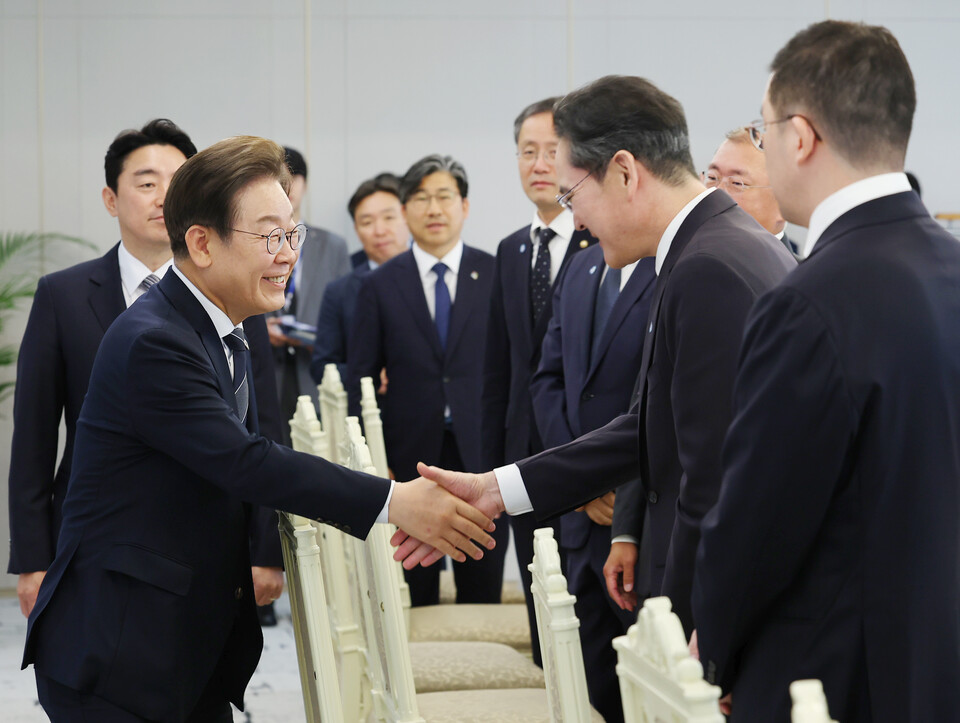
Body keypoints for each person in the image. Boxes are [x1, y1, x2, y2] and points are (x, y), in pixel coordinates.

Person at [21, 136, 495, 722]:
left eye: (291, 232)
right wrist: (397, 502)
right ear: (201, 242)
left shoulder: (222, 323)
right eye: (270, 235)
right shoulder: (155, 342)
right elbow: (248, 462)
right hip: (121, 651)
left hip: (178, 644)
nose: (288, 253)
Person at [397, 75, 795, 638]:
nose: (576, 221)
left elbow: (716, 485)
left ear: (626, 172)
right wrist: (496, 489)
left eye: (572, 195)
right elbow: (654, 426)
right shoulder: (708, 249)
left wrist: (700, 628)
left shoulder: (708, 268)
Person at [691, 21, 960, 721]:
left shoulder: (808, 301)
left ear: (801, 136)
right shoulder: (951, 269)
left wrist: (712, 649)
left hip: (833, 678)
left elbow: (759, 518)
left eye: (764, 128)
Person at [6, 119, 285, 622]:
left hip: (211, 536)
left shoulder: (236, 291)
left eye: (177, 182)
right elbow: (33, 436)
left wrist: (267, 546)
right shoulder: (63, 296)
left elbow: (263, 425)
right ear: (112, 199)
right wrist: (32, 558)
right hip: (97, 538)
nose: (163, 197)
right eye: (146, 183)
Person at [349, 154, 509, 606]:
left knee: (482, 585)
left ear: (465, 206)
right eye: (420, 199)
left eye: (444, 197)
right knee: (414, 588)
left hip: (484, 453)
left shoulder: (496, 274)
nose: (433, 209)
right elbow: (359, 377)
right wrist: (371, 458)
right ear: (404, 212)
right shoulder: (379, 285)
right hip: (408, 458)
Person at [481, 97, 596, 664]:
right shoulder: (510, 249)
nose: (540, 163)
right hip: (521, 457)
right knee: (536, 602)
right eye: (529, 151)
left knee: (584, 610)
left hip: (582, 455)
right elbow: (500, 368)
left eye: (553, 150)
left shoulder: (603, 242)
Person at [530, 243, 655, 722]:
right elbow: (548, 378)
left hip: (640, 517)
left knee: (648, 683)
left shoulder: (673, 263)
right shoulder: (582, 264)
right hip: (581, 516)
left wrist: (617, 486)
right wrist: (578, 481)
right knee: (591, 682)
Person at [267, 147, 350, 441]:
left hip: (315, 376)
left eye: (292, 179)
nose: (286, 187)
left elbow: (346, 317)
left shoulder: (333, 246)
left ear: (304, 184)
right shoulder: (254, 240)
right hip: (267, 375)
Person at [310, 172, 409, 385]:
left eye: (389, 218)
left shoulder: (436, 278)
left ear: (407, 217)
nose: (379, 231)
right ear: (356, 229)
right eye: (366, 222)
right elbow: (322, 366)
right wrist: (369, 376)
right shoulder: (340, 292)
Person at [702, 127, 798, 256]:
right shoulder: (677, 264)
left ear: (784, 202)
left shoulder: (805, 275)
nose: (716, 192)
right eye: (712, 177)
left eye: (737, 183)